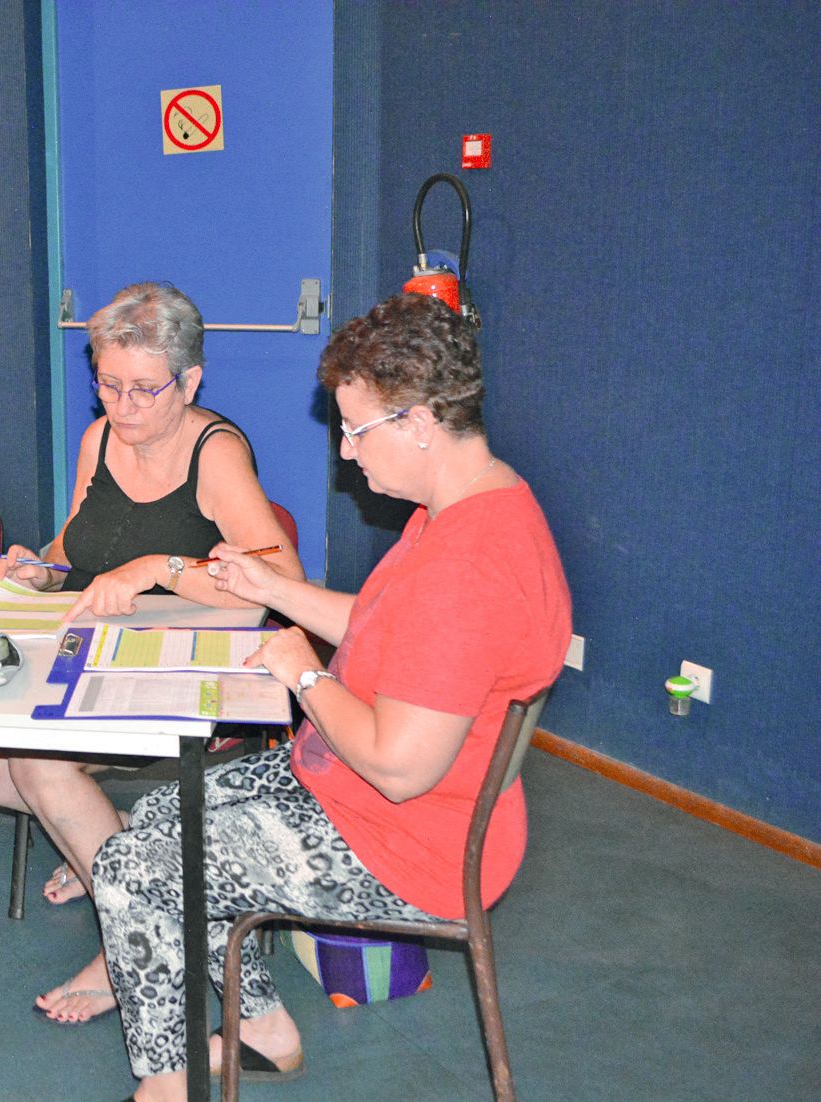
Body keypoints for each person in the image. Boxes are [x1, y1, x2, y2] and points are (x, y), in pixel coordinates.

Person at [92, 293, 571, 1099]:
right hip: (361, 792)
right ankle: (261, 1027)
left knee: (133, 864)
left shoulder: (469, 570)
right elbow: (386, 624)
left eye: (356, 430)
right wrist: (270, 586)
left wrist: (302, 673)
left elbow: (399, 766)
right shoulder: (471, 503)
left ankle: (167, 1079)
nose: (347, 454)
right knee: (161, 815)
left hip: (409, 842)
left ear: (418, 421)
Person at [0, 282, 302, 1024]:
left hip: (185, 666)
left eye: (146, 389)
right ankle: (116, 855)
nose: (124, 407)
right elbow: (77, 547)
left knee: (40, 763)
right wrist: (36, 566)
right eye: (108, 385)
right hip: (92, 649)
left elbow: (282, 583)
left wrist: (159, 568)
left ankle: (136, 938)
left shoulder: (215, 454)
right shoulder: (100, 441)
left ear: (191, 381)